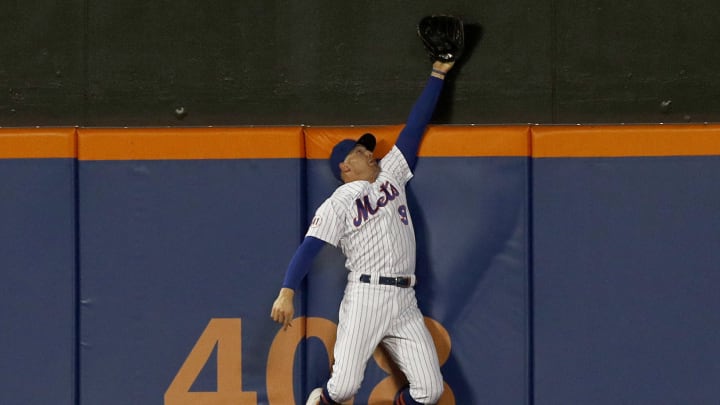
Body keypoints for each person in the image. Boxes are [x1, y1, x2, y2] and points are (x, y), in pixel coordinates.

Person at [271, 59, 455, 405]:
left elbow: (414, 127)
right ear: (345, 167)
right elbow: (311, 246)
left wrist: (437, 75)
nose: (370, 153)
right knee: (342, 389)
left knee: (430, 391)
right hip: (366, 296)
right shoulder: (339, 201)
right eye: (360, 151)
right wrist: (287, 291)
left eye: (366, 149)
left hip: (404, 300)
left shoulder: (391, 174)